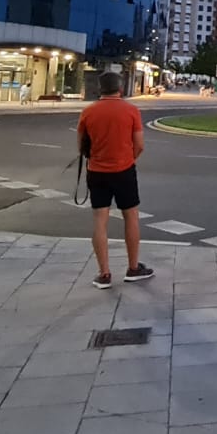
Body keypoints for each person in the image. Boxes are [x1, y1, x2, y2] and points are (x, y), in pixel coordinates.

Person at [77, 71, 151, 289]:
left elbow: (81, 146)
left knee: (100, 219)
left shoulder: (88, 112)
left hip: (97, 171)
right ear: (120, 89)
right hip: (124, 170)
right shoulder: (131, 111)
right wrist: (128, 158)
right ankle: (133, 267)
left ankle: (104, 273)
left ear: (100, 89)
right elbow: (139, 145)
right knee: (131, 216)